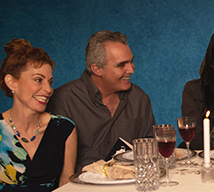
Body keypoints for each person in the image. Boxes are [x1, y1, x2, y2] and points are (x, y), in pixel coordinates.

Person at [47, 30, 156, 172]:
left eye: (131, 61)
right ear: (97, 69)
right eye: (121, 65)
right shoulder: (64, 100)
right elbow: (53, 161)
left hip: (127, 186)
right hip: (81, 188)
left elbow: (151, 149)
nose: (131, 69)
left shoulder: (139, 98)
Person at [0, 39, 77, 192]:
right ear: (11, 82)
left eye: (50, 82)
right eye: (38, 80)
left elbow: (65, 188)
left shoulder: (65, 129)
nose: (48, 89)